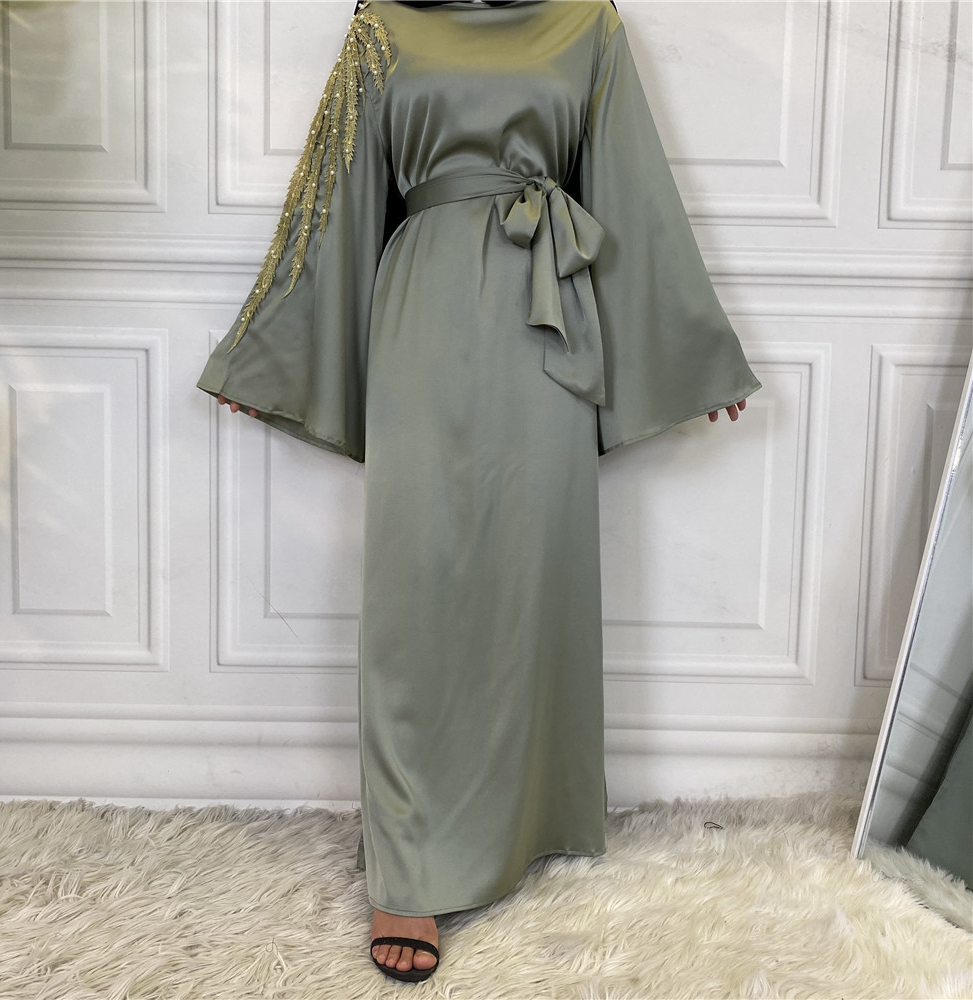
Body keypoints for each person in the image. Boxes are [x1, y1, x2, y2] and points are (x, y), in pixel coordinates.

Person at [201, 0, 760, 983]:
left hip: (547, 327)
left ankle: (526, 819)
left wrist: (689, 351)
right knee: (415, 592)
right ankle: (408, 865)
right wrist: (276, 352)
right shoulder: (381, 24)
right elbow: (335, 195)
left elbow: (632, 186)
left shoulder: (587, 23)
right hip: (421, 313)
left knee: (532, 575)